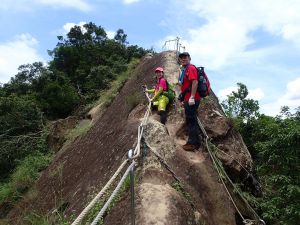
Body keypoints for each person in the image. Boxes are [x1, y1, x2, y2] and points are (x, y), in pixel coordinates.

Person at [178, 52, 201, 151]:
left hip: (193, 98)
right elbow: (184, 86)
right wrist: (184, 99)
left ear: (189, 58)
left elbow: (195, 81)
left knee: (191, 121)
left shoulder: (190, 68)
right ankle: (197, 142)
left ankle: (191, 144)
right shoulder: (184, 70)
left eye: (185, 57)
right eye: (182, 58)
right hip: (188, 99)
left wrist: (191, 97)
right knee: (192, 120)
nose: (183, 59)